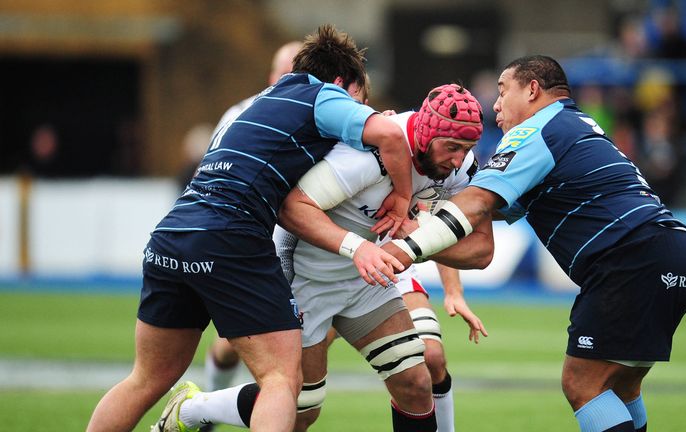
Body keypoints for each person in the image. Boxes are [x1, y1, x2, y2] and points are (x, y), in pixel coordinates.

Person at [86, 24, 414, 432]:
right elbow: (388, 134)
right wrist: (402, 198)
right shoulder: (322, 94)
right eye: (359, 102)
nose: (357, 116)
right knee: (281, 380)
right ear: (341, 83)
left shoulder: (257, 103)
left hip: (172, 234)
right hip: (230, 233)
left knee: (146, 378)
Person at [379, 56, 686, 432]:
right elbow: (489, 209)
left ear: (532, 90)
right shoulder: (575, 126)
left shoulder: (536, 130)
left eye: (502, 91)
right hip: (676, 253)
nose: (495, 105)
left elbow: (477, 202)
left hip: (632, 256)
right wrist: (423, 200)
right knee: (622, 386)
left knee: (582, 382)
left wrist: (404, 248)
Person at [150, 84, 491, 432]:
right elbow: (292, 209)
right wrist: (357, 247)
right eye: (452, 147)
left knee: (417, 383)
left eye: (466, 149)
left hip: (366, 282)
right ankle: (194, 409)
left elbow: (481, 249)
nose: (456, 160)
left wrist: (414, 241)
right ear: (424, 131)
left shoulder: (460, 168)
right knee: (301, 408)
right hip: (308, 281)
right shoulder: (366, 155)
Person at [202, 40, 303, 404]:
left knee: (290, 360)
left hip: (306, 240)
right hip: (255, 239)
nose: (297, 79)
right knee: (243, 346)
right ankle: (207, 406)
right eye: (288, 72)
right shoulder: (241, 113)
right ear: (272, 77)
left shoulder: (323, 111)